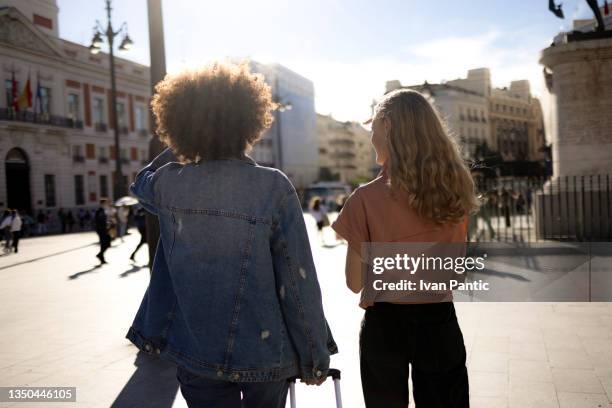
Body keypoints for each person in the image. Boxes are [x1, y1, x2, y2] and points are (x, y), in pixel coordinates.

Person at [126, 61, 337, 408]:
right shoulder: (273, 187)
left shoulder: (170, 184)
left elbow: (141, 181)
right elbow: (297, 282)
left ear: (178, 123)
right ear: (250, 121)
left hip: (197, 351)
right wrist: (314, 355)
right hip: (266, 352)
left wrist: (180, 142)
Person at [331, 89, 478, 408]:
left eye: (373, 130)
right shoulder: (455, 189)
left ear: (387, 128)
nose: (371, 138)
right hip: (438, 318)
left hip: (384, 322)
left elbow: (355, 282)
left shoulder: (364, 200)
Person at [94, 199, 112, 264]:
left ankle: (100, 255)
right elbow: (100, 221)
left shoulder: (103, 210)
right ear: (102, 204)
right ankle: (101, 256)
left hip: (104, 229)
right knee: (104, 243)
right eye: (105, 203)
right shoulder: (100, 211)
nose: (107, 204)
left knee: (106, 242)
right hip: (102, 230)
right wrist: (106, 225)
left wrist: (108, 222)